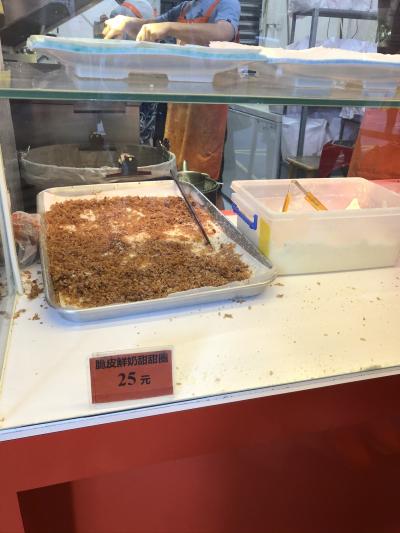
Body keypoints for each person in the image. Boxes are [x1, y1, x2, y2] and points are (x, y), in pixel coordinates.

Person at [103, 0, 241, 181]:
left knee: (202, 177)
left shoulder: (226, 3)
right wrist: (126, 22)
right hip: (179, 104)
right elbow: (150, 27)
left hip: (208, 108)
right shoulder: (185, 7)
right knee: (174, 168)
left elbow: (223, 32)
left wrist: (168, 27)